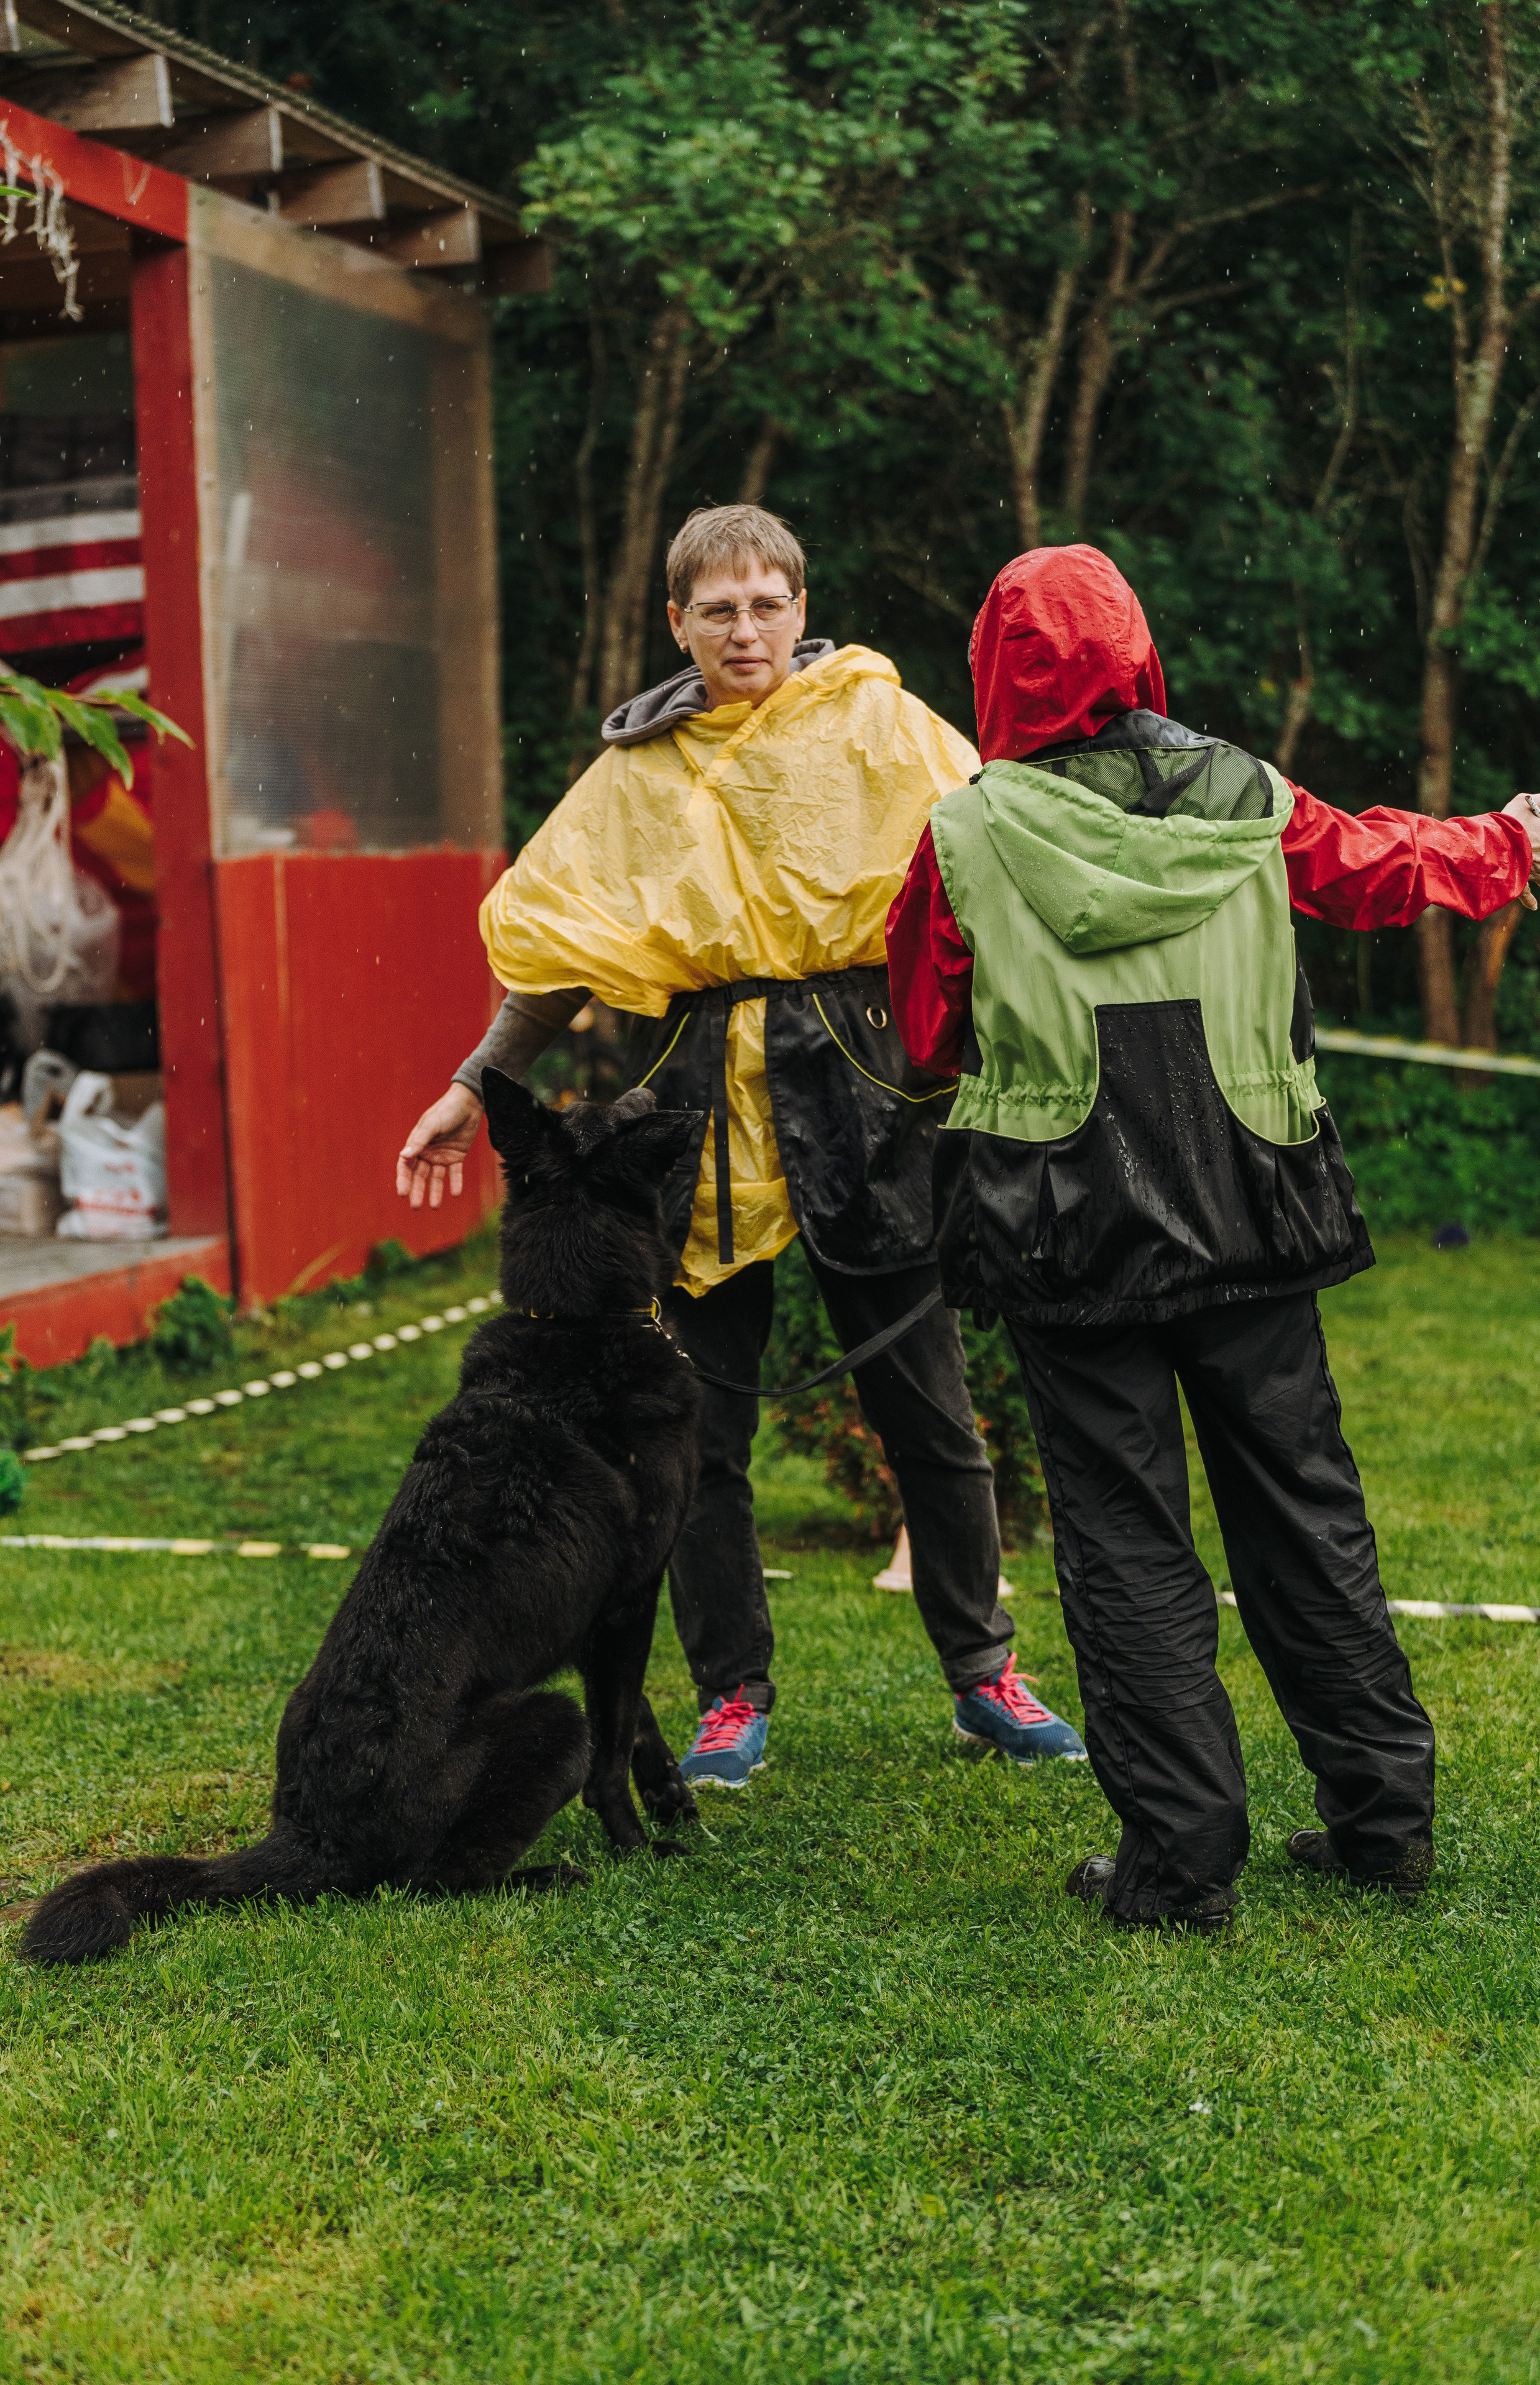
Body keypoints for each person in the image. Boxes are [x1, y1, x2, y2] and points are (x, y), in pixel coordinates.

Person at [885, 542, 1540, 1931]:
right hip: (1252, 1203)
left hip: (1066, 1230)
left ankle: (1178, 1863)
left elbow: (921, 1030)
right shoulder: (1247, 793)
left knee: (1123, 1539)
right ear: (1136, 652)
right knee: (1301, 1512)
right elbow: (1375, 862)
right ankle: (1381, 1821)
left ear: (994, 670)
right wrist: (1500, 836)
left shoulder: (962, 833)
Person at [396, 505, 1087, 1787]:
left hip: (865, 1093)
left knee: (927, 1408)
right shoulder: (638, 774)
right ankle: (731, 1693)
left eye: (767, 602)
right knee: (698, 1431)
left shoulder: (878, 723)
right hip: (698, 1116)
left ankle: (983, 1669)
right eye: (717, 607)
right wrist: (471, 1082)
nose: (745, 627)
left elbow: (1004, 872)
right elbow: (560, 954)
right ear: (678, 622)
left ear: (798, 603)